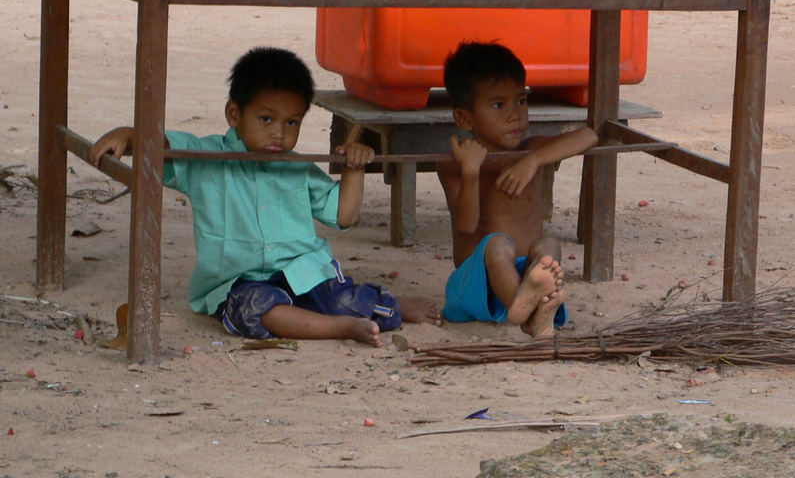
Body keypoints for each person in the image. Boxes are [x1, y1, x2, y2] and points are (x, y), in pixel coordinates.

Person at [89, 46, 440, 347]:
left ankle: (394, 304)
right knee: (254, 308)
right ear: (234, 114)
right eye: (267, 118)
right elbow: (164, 146)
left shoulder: (297, 168)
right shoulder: (207, 158)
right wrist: (131, 134)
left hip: (304, 274)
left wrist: (354, 168)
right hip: (239, 282)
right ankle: (340, 328)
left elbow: (344, 216)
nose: (279, 133)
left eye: (292, 123)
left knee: (342, 296)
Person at [436, 41, 598, 337]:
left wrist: (533, 160)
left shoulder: (530, 150)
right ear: (464, 118)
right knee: (498, 244)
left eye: (521, 101)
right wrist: (471, 171)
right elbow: (466, 225)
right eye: (498, 105)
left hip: (525, 274)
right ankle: (529, 318)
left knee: (549, 246)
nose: (515, 115)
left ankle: (531, 303)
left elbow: (588, 136)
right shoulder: (454, 163)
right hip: (477, 280)